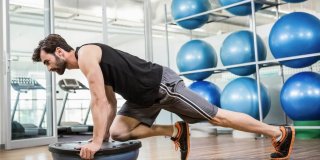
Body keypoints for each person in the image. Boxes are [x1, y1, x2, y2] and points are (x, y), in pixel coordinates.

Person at [32, 34, 295, 160]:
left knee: (217, 117)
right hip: (141, 98)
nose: (49, 67)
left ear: (59, 51)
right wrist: (102, 137)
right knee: (120, 132)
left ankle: (278, 132)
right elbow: (110, 101)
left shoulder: (87, 53)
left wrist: (98, 142)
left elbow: (99, 100)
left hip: (161, 85)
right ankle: (175, 130)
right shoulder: (91, 62)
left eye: (47, 62)